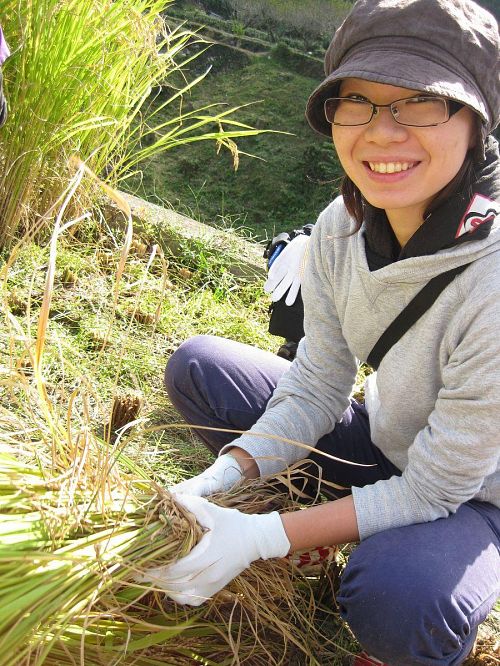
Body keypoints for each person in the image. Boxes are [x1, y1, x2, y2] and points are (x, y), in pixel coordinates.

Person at [141, 1, 500, 664]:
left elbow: (434, 487)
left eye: (419, 103)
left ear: (476, 119)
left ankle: (397, 607)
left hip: (473, 495)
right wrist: (225, 476)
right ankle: (323, 522)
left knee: (400, 597)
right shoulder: (343, 225)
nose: (381, 132)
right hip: (385, 440)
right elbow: (317, 382)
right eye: (357, 101)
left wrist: (263, 536)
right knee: (201, 368)